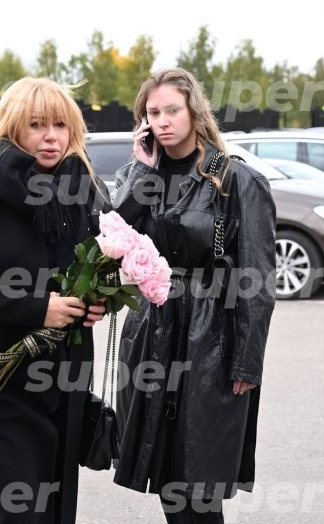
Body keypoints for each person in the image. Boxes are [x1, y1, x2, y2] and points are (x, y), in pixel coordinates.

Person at [0, 77, 110, 524]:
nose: (51, 136)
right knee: (20, 509)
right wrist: (39, 307)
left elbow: (96, 265)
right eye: (37, 125)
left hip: (65, 373)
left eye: (60, 125)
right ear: (13, 127)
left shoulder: (83, 189)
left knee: (56, 508)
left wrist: (96, 302)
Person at [112, 68, 276, 523]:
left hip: (210, 339)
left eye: (172, 110)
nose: (162, 121)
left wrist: (247, 362)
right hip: (152, 333)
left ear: (194, 111)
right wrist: (141, 173)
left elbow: (258, 279)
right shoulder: (138, 174)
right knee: (165, 472)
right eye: (153, 113)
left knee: (200, 479)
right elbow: (112, 239)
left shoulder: (235, 179)